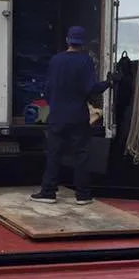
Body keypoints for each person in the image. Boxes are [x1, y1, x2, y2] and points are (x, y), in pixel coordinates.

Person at [30, 25, 114, 205]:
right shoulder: (85, 61)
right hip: (78, 116)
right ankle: (83, 195)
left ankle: (48, 192)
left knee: (54, 154)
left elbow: (47, 88)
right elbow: (91, 89)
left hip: (57, 116)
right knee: (81, 156)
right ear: (83, 43)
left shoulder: (55, 60)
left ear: (67, 40)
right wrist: (109, 82)